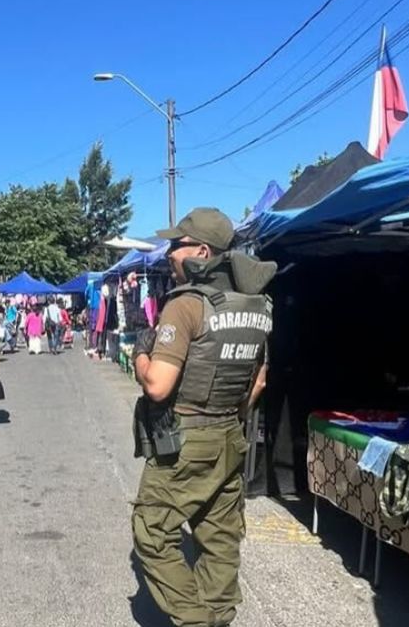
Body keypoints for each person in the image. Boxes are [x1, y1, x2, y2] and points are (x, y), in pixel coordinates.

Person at [130, 208, 275, 627]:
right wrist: (230, 418)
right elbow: (259, 382)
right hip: (229, 435)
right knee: (220, 537)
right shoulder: (258, 306)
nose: (169, 254)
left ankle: (194, 620)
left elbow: (158, 386)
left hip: (186, 442)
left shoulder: (187, 304)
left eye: (177, 245)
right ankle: (216, 616)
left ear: (202, 252)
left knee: (152, 532)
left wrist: (140, 356)